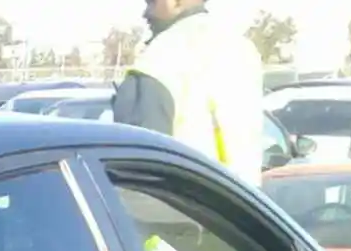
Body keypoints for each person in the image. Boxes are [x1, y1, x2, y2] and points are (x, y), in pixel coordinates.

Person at [112, 0, 265, 184]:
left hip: (183, 203)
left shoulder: (159, 58)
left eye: (152, 3)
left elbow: (138, 171)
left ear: (176, 2)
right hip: (241, 203)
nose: (146, 13)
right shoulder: (242, 48)